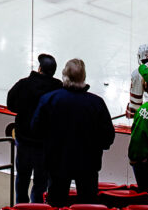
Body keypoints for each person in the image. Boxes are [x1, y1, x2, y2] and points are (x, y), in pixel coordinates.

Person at [30, 58, 115, 207]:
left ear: (64, 75)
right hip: (88, 165)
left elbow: (36, 129)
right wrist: (96, 148)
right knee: (87, 205)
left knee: (57, 203)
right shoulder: (96, 103)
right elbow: (108, 136)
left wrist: (49, 145)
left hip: (57, 163)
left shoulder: (49, 100)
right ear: (83, 77)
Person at [6, 54, 62, 204]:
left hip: (24, 141)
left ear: (39, 69)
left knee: (22, 176)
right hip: (44, 144)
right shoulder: (57, 88)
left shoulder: (24, 84)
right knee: (41, 180)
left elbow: (11, 104)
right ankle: (37, 205)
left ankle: (21, 205)